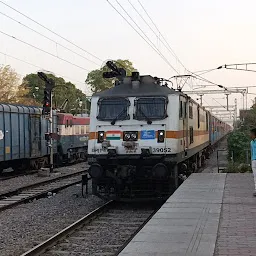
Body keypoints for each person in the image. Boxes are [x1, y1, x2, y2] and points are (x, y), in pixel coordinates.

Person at [250, 128, 256, 196]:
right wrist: (251, 160)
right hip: (254, 160)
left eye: (252, 134)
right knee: (255, 176)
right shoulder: (251, 142)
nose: (250, 135)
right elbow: (251, 151)